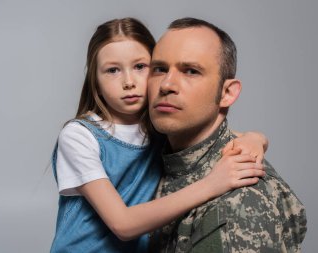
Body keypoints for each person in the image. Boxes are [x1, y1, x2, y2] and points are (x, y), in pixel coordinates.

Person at [50, 18, 268, 253]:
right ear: (95, 81)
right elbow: (123, 224)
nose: (129, 82)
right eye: (112, 70)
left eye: (140, 67)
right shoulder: (80, 136)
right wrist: (212, 184)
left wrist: (255, 139)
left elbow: (233, 136)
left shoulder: (160, 125)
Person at [147, 17, 307, 253]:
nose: (167, 84)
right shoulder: (151, 155)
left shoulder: (239, 199)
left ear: (227, 93)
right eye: (160, 69)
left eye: (191, 71)